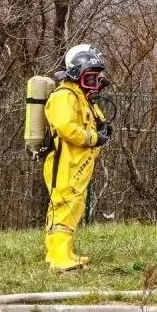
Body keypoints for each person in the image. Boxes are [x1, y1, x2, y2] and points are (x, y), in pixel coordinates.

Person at [42, 44, 111, 272]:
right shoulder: (64, 95)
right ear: (76, 73)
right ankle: (58, 258)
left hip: (78, 163)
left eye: (96, 78)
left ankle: (65, 253)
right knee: (62, 207)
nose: (94, 83)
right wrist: (94, 138)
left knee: (74, 208)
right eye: (90, 78)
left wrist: (101, 130)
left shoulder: (81, 97)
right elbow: (66, 127)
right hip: (64, 163)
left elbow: (93, 119)